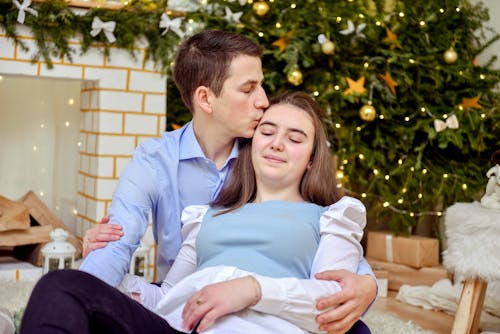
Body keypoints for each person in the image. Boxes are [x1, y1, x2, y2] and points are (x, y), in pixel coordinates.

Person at [79, 30, 377, 333]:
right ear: (206, 98)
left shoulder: (266, 154)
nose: (263, 101)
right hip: (188, 294)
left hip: (274, 305)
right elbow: (119, 245)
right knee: (65, 288)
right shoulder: (154, 160)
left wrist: (368, 283)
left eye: (261, 85)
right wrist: (87, 285)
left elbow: (328, 243)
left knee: (354, 329)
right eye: (248, 89)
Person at [21, 91, 370, 334]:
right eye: (268, 131)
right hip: (181, 328)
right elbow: (168, 296)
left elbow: (332, 303)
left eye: (295, 139)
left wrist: (250, 289)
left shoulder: (332, 216)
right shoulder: (208, 216)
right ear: (252, 146)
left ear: (311, 160)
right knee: (62, 285)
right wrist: (106, 282)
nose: (277, 143)